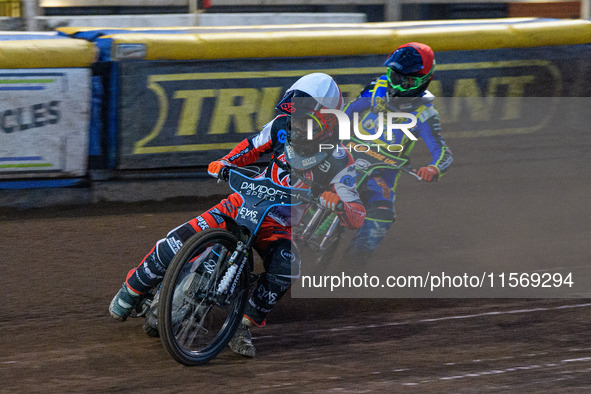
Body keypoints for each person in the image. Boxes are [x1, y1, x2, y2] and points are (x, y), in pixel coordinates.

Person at [109, 73, 366, 358]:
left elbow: (357, 215)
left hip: (279, 225)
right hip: (241, 203)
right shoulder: (280, 127)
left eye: (306, 118)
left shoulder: (342, 160)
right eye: (295, 115)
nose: (297, 124)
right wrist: (226, 162)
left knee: (288, 268)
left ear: (328, 119)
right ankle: (132, 288)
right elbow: (250, 147)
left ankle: (243, 324)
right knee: (178, 240)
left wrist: (340, 204)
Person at [344, 42, 453, 255]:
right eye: (395, 77)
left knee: (382, 216)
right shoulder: (377, 88)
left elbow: (442, 151)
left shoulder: (425, 113)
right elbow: (347, 113)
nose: (398, 85)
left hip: (380, 176)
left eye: (407, 80)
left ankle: (349, 271)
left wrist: (434, 168)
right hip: (343, 158)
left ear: (423, 81)